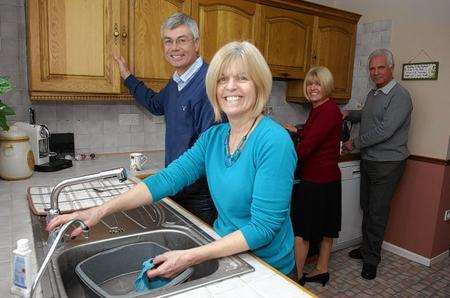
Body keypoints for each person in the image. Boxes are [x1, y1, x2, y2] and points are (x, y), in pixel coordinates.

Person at [48, 41, 297, 278]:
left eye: (242, 78)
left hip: (269, 268)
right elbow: (168, 178)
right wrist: (100, 210)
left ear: (260, 85)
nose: (230, 87)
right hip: (227, 251)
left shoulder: (273, 141)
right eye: (222, 79)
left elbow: (263, 228)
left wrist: (190, 256)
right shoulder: (214, 137)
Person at [113, 13, 217, 225]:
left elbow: (208, 151)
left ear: (196, 44)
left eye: (182, 40)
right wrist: (127, 77)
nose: (174, 48)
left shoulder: (208, 83)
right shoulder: (176, 83)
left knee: (197, 255)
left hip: (200, 196)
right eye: (168, 41)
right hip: (178, 185)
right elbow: (154, 103)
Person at [342, 48, 413, 280]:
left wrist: (355, 143)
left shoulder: (400, 96)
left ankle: (371, 260)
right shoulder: (375, 94)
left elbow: (385, 130)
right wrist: (347, 114)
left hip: (388, 163)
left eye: (380, 67)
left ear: (391, 68)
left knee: (377, 212)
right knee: (367, 206)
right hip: (370, 160)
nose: (375, 72)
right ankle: (365, 249)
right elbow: (367, 115)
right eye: (372, 68)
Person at [284, 66, 342, 286]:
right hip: (329, 178)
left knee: (302, 230)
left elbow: (306, 148)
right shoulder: (322, 108)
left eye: (317, 83)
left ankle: (296, 277)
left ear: (326, 85)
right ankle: (321, 270)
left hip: (316, 180)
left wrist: (282, 155)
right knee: (327, 228)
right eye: (309, 83)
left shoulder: (326, 111)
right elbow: (312, 136)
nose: (312, 87)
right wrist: (297, 132)